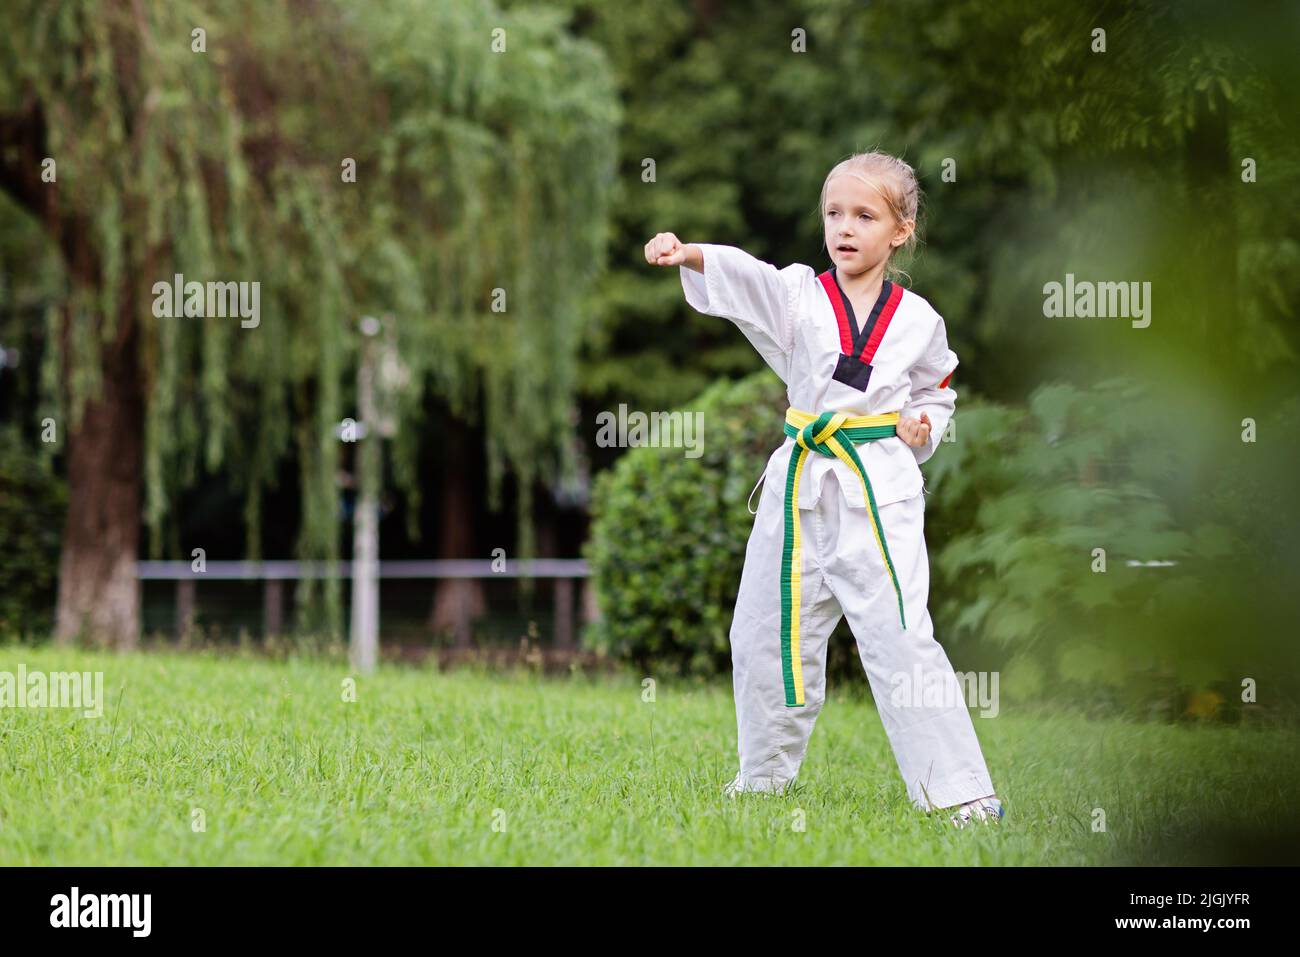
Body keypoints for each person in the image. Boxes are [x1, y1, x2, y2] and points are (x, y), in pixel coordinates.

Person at [644, 150, 1002, 828]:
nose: (844, 227)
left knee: (899, 635)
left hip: (876, 487)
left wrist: (924, 422)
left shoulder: (918, 318)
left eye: (864, 215)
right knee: (764, 630)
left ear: (901, 229)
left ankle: (960, 794)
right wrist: (689, 253)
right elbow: (746, 278)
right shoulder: (800, 294)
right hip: (801, 482)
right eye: (834, 213)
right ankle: (763, 777)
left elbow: (936, 387)